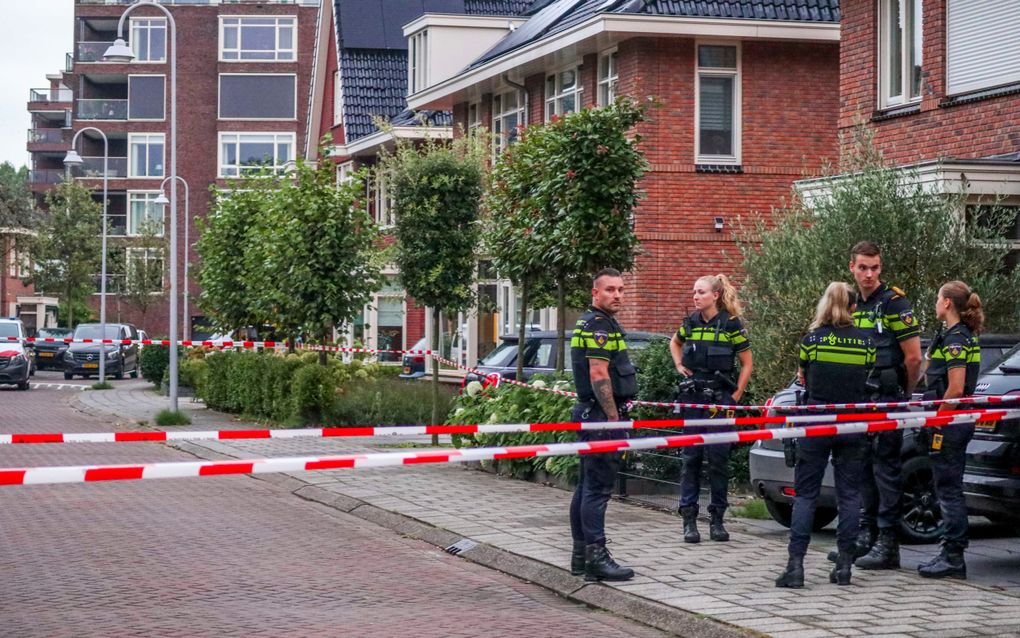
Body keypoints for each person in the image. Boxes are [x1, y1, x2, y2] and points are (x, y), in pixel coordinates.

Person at [776, 282, 875, 588]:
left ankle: (795, 567)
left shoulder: (813, 340)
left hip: (816, 421)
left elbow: (802, 376)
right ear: (854, 308)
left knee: (806, 494)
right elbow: (867, 376)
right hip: (852, 424)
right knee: (849, 496)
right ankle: (844, 566)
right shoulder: (866, 342)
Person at [843, 241, 922, 571]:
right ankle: (866, 535)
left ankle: (888, 544)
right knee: (862, 468)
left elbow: (915, 357)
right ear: (852, 267)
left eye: (874, 267)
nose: (869, 274)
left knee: (886, 470)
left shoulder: (894, 303)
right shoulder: (851, 304)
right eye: (863, 267)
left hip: (887, 399)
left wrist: (903, 393)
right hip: (860, 398)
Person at [669, 274, 753, 543]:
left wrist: (736, 395)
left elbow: (747, 362)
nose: (695, 296)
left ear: (715, 295)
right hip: (694, 399)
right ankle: (689, 520)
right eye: (694, 291)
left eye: (701, 292)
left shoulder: (730, 324)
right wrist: (679, 365)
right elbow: (674, 342)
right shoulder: (691, 323)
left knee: (719, 461)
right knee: (690, 458)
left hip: (720, 401)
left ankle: (717, 520)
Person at [568, 267, 637, 582]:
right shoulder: (599, 325)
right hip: (599, 414)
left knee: (586, 487)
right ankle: (597, 556)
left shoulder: (590, 321)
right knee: (597, 490)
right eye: (610, 289)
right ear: (595, 292)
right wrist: (613, 418)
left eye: (621, 289)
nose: (617, 295)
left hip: (588, 413)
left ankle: (581, 556)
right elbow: (599, 373)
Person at [917, 281, 982, 579]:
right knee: (945, 485)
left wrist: (937, 422)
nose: (934, 304)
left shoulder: (957, 339)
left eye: (936, 298)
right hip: (952, 422)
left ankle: (954, 555)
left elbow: (955, 389)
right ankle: (949, 551)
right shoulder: (950, 336)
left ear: (946, 303)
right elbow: (929, 371)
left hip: (951, 423)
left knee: (948, 488)